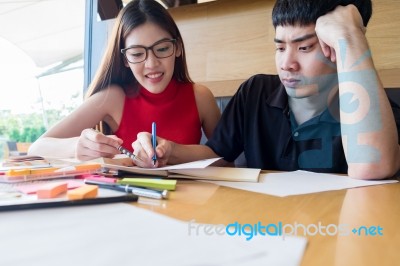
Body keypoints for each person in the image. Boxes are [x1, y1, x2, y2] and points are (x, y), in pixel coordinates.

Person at [132, 0, 400, 179]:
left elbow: (372, 167)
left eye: (305, 47)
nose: (287, 64)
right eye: (280, 47)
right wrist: (169, 150)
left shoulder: (373, 115)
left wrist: (351, 36)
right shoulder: (255, 92)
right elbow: (218, 154)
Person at [28, 0, 220, 161]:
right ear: (125, 59)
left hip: (192, 201)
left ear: (177, 48)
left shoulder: (200, 97)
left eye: (162, 49)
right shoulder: (113, 98)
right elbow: (37, 148)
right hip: (128, 201)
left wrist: (173, 150)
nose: (151, 64)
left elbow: (225, 158)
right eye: (137, 53)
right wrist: (78, 146)